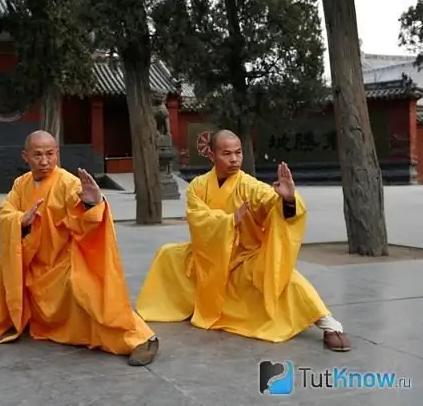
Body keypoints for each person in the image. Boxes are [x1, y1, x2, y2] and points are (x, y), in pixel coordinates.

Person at [135, 130, 351, 352]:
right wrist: (229, 222)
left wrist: (287, 199)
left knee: (283, 276)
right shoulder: (197, 187)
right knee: (168, 255)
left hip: (243, 257)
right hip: (208, 256)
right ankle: (181, 304)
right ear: (211, 155)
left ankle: (327, 323)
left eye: (238, 153)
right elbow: (197, 220)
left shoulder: (249, 185)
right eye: (226, 153)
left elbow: (269, 201)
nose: (234, 159)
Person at [0, 130, 159, 365]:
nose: (44, 161)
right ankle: (8, 320)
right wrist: (19, 220)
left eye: (49, 154)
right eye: (37, 155)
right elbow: (5, 213)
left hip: (63, 260)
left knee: (85, 288)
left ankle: (137, 339)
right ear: (25, 156)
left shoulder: (68, 183)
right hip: (32, 262)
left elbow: (85, 219)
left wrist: (92, 203)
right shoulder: (20, 184)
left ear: (57, 154)